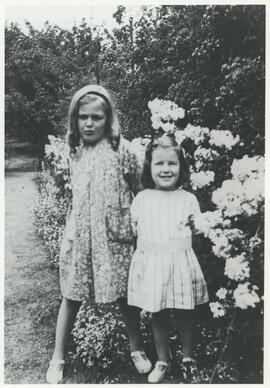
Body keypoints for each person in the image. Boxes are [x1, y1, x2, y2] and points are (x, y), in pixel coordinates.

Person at [46, 84, 151, 384]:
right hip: (80, 237)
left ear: (109, 118)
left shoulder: (124, 149)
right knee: (71, 295)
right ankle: (58, 357)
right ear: (74, 119)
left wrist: (138, 228)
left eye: (96, 117)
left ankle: (137, 349)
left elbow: (141, 191)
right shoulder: (74, 150)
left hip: (116, 239)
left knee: (125, 296)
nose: (89, 123)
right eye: (83, 117)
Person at [127, 134, 209, 383]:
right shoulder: (142, 199)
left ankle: (187, 357)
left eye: (172, 164)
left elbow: (199, 229)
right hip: (152, 265)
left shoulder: (188, 199)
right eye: (159, 164)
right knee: (158, 313)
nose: (166, 169)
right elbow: (131, 230)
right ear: (149, 168)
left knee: (184, 313)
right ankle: (163, 359)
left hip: (180, 264)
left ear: (181, 167)